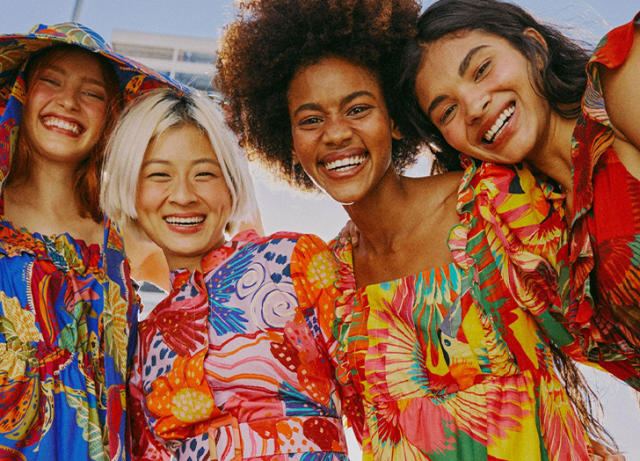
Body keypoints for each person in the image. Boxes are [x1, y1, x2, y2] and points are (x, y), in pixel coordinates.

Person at [214, 0, 624, 459]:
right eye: (311, 120)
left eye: (358, 108)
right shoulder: (329, 282)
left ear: (392, 120)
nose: (335, 134)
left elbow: (603, 315)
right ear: (288, 143)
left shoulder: (488, 200)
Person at [395, 0, 640, 390]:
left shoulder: (619, 82)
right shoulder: (538, 246)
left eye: (481, 69)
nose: (473, 107)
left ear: (534, 49)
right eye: (447, 112)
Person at [100, 87, 352, 461]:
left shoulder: (290, 261)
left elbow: (382, 397)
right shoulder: (137, 337)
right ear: (130, 190)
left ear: (232, 184)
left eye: (204, 173)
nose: (183, 195)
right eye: (158, 175)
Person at [0, 22, 184, 460]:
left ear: (112, 117)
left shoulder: (130, 234)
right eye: (52, 81)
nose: (69, 101)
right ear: (22, 94)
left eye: (92, 93)